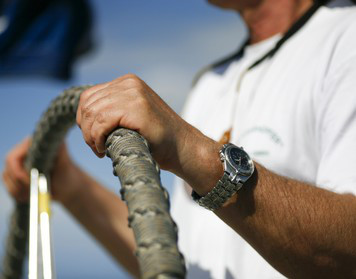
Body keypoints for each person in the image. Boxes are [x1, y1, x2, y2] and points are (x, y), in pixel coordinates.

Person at [3, 0, 356, 278]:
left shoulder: (345, 38)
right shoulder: (210, 84)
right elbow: (180, 258)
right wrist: (71, 186)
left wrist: (189, 149)